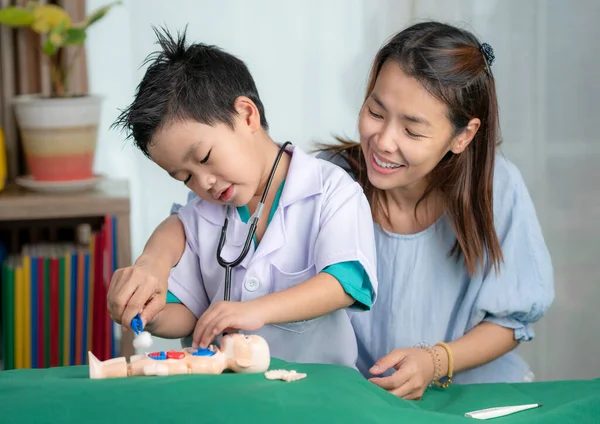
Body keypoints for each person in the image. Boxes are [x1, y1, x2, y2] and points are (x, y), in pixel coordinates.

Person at [111, 21, 554, 399]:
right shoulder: (324, 177)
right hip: (362, 396)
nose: (383, 141)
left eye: (412, 129)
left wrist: (436, 361)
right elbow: (190, 223)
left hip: (470, 395)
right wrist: (151, 266)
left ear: (462, 135)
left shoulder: (495, 189)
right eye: (375, 111)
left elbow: (510, 322)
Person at [108, 27, 378, 369]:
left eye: (205, 157)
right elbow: (188, 314)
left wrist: (254, 310)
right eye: (185, 177)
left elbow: (345, 283)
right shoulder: (203, 216)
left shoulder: (329, 190)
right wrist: (150, 312)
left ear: (247, 115)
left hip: (315, 390)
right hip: (230, 393)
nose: (203, 182)